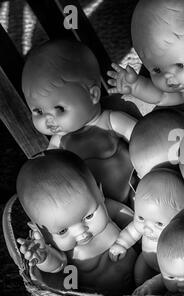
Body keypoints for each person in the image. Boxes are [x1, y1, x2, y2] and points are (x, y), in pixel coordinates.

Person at [21, 39, 136, 203]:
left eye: (59, 108)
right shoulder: (58, 143)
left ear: (93, 95)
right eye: (38, 111)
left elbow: (141, 137)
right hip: (91, 209)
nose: (48, 119)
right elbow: (49, 171)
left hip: (132, 192)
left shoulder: (111, 121)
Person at [16, 150, 136, 296]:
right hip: (102, 295)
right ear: (39, 231)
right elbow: (58, 266)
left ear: (100, 194)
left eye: (89, 216)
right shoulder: (63, 252)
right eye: (62, 231)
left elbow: (133, 221)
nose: (81, 232)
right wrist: (44, 258)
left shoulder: (108, 209)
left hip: (142, 274)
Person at [109, 169, 184, 285]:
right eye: (141, 218)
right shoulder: (141, 227)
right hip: (146, 259)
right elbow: (130, 233)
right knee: (139, 274)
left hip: (173, 270)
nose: (146, 229)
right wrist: (121, 244)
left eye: (159, 224)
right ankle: (140, 289)